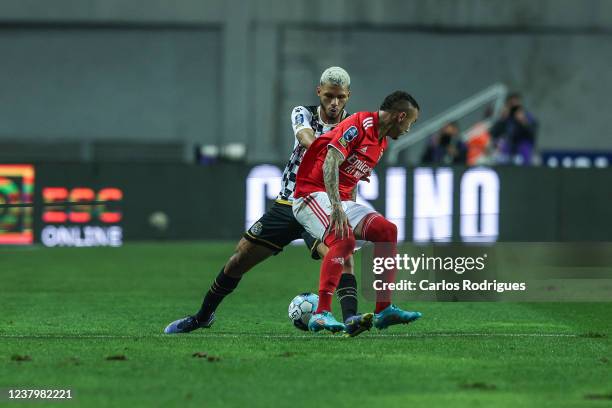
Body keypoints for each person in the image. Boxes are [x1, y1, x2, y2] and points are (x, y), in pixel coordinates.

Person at [164, 67, 373, 337]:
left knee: (342, 256)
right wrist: (338, 152)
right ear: (318, 91)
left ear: (348, 96)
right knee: (238, 259)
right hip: (290, 203)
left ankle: (352, 319)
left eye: (341, 97)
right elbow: (305, 138)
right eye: (329, 96)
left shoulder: (355, 126)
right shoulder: (303, 113)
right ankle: (202, 317)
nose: (334, 103)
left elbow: (351, 179)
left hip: (322, 207)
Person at [292, 91, 423, 332]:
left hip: (334, 199)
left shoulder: (380, 143)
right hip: (309, 194)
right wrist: (338, 207)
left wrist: (346, 204)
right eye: (410, 122)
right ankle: (321, 313)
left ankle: (383, 309)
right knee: (343, 238)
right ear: (400, 116)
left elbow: (349, 178)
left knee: (387, 230)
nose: (408, 129)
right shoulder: (359, 124)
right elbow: (330, 161)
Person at [490, 92, 538, 165]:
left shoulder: (527, 117)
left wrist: (523, 121)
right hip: (507, 152)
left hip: (523, 151)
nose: (514, 107)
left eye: (516, 104)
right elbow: (494, 133)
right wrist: (503, 119)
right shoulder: (506, 118)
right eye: (512, 104)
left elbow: (532, 134)